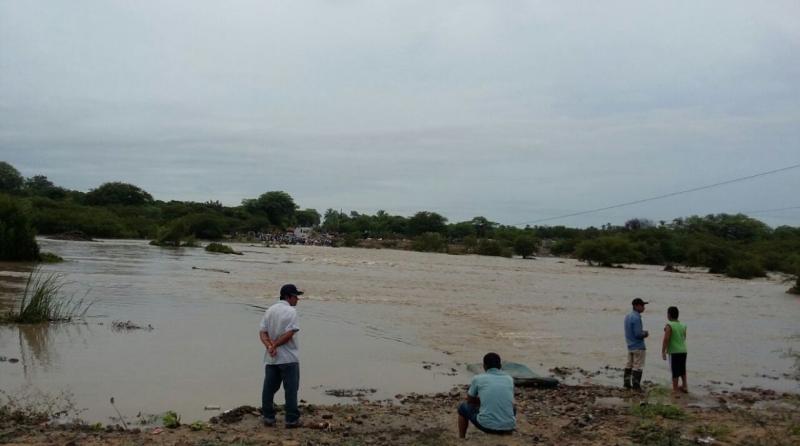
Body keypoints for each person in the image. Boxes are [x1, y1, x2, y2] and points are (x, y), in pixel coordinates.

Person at [259, 284, 303, 427]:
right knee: (290, 390)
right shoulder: (291, 312)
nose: (297, 299)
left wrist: (269, 346)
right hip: (289, 357)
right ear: (288, 296)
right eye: (296, 296)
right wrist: (275, 345)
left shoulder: (269, 310)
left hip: (272, 358)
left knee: (269, 388)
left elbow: (262, 332)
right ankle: (291, 419)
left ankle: (268, 417)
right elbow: (290, 334)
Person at [457, 352, 516, 438]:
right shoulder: (509, 379)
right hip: (509, 426)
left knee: (462, 408)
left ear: (484, 366)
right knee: (512, 407)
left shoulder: (478, 378)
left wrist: (482, 401)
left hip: (487, 426)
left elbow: (469, 400)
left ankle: (461, 437)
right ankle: (506, 428)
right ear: (500, 366)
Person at [624, 298, 649, 390]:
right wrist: (645, 333)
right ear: (636, 306)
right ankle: (636, 385)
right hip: (638, 346)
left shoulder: (627, 316)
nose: (644, 307)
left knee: (629, 365)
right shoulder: (637, 317)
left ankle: (626, 384)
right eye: (642, 305)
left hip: (630, 345)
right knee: (637, 366)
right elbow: (638, 334)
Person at [661, 306, 688, 394]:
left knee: (675, 370)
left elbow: (666, 339)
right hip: (683, 350)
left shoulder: (669, 325)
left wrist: (663, 351)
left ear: (669, 315)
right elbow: (684, 337)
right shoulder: (683, 325)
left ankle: (675, 389)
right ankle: (685, 386)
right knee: (682, 369)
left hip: (674, 351)